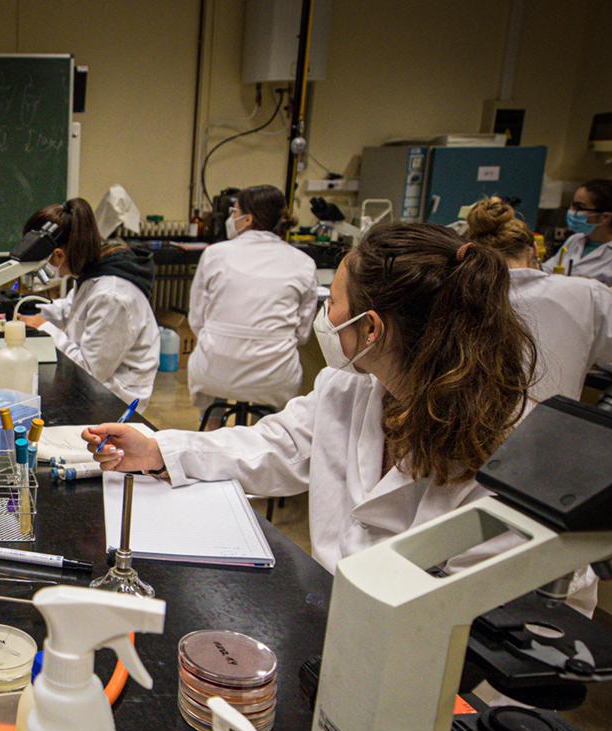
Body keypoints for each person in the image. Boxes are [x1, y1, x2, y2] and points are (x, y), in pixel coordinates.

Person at [83, 222, 535, 576]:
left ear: (372, 328)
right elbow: (279, 445)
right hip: (328, 609)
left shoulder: (503, 448)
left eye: (333, 302)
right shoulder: (353, 384)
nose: (327, 316)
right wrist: (160, 449)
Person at [466, 196, 612, 402]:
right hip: (534, 440)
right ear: (535, 250)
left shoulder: (456, 292)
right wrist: (597, 349)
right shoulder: (586, 295)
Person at [184, 185, 318, 412]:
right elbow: (303, 334)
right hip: (274, 376)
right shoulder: (303, 263)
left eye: (234, 212)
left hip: (215, 371)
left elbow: (197, 319)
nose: (231, 218)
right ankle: (266, 433)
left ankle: (212, 426)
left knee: (212, 395)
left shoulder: (215, 255)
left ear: (248, 220)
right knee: (271, 422)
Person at [23, 197, 158, 404]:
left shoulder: (112, 296)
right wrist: (25, 311)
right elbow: (69, 311)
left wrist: (45, 328)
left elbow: (90, 370)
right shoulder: (91, 273)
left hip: (115, 399)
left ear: (58, 256)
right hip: (93, 382)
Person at [544, 178, 612, 287]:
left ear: (604, 217)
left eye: (579, 207)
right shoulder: (575, 240)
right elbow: (546, 272)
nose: (572, 212)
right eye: (572, 205)